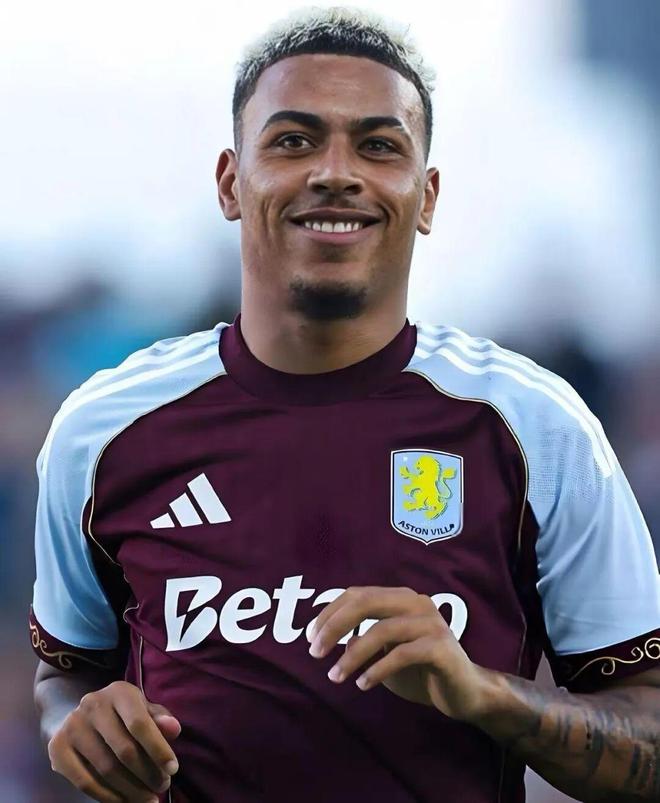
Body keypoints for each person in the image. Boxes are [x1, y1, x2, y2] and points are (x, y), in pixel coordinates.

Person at [30, 7, 660, 803]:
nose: (335, 172)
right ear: (230, 182)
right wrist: (75, 721)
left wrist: (482, 691)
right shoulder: (103, 429)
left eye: (379, 146)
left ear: (427, 196)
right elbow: (66, 673)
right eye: (294, 141)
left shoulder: (537, 427)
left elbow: (650, 734)